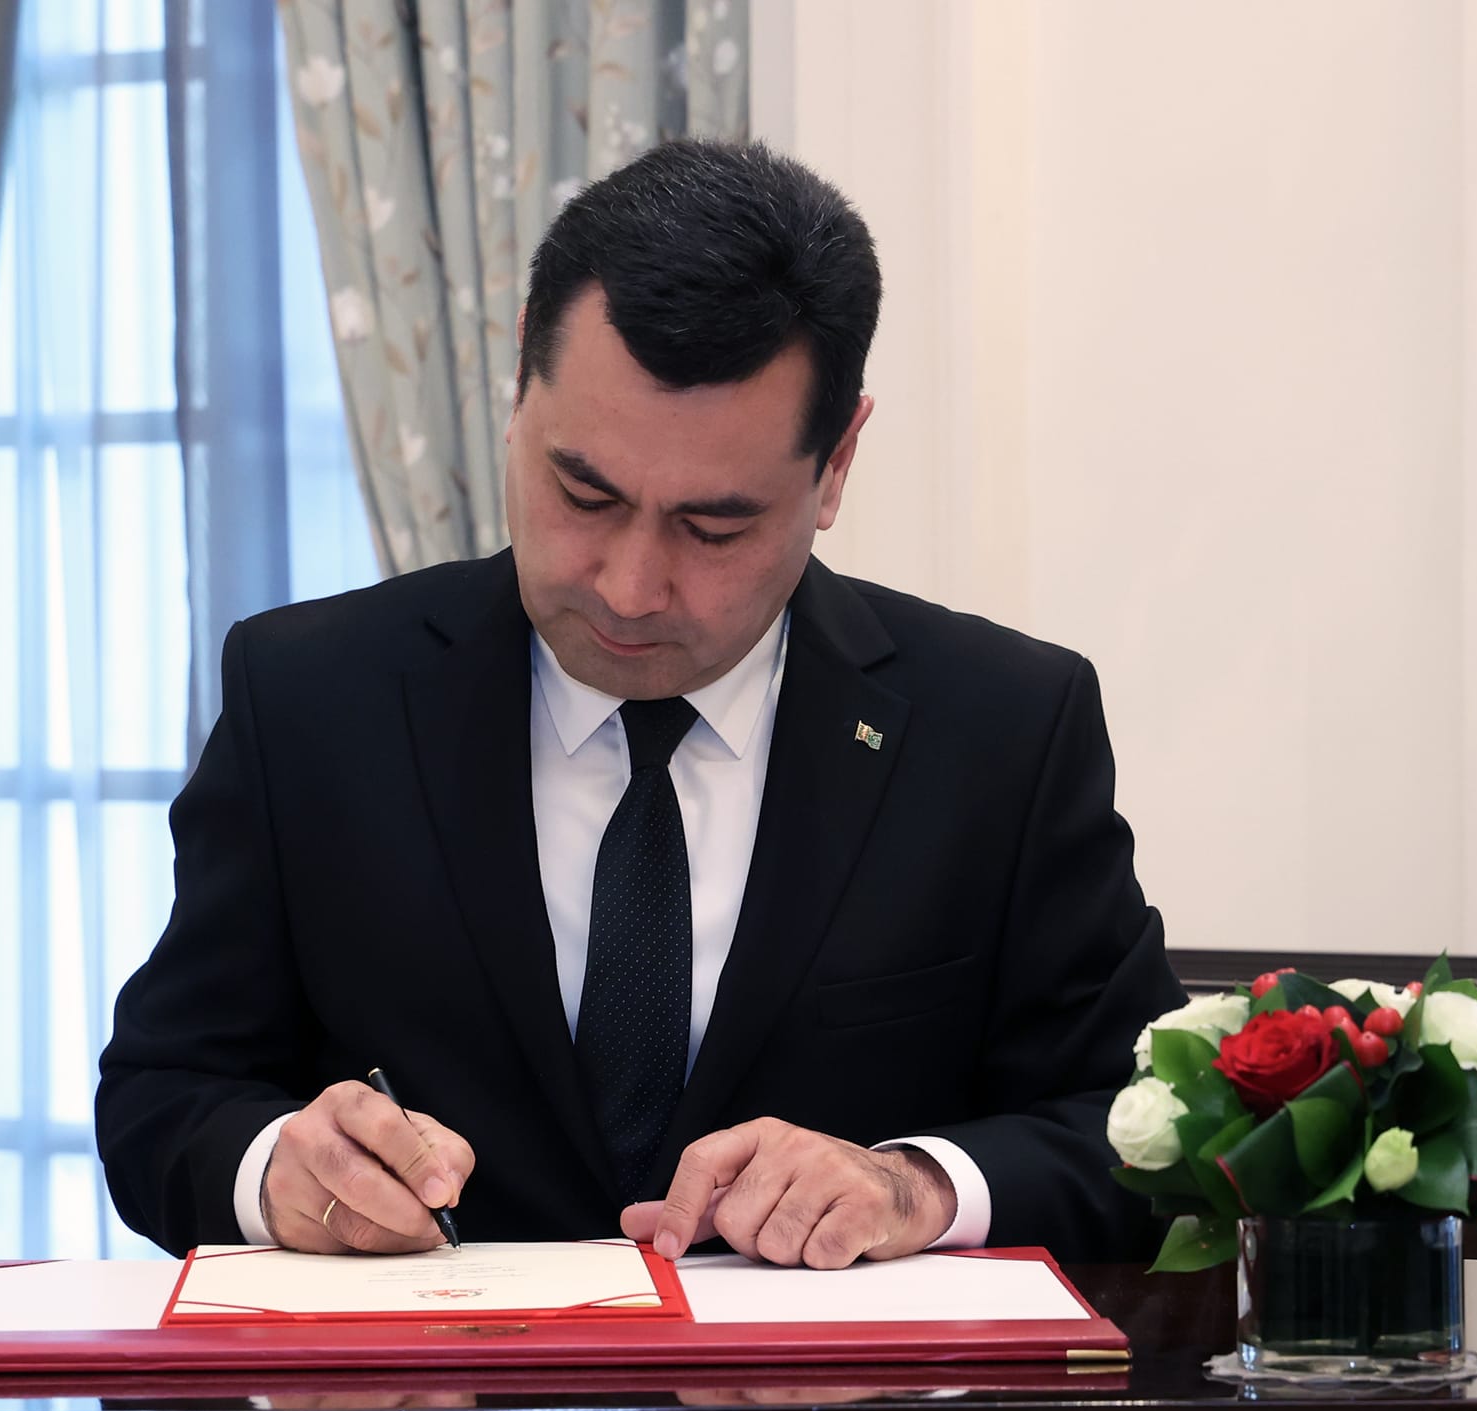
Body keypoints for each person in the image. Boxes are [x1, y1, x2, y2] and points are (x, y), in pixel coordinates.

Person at [96, 139, 1182, 1270]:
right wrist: (277, 1167)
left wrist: (911, 1187)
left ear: (838, 464)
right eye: (583, 492)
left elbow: (1148, 1131)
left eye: (713, 529)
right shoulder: (312, 697)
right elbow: (163, 1095)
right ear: (521, 377)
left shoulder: (1002, 728)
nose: (628, 586)